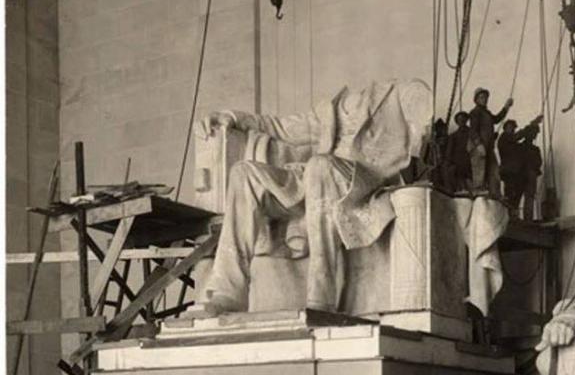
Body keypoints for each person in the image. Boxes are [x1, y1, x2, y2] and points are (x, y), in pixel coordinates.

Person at [198, 80, 432, 315]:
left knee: (319, 166)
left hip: (360, 179)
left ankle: (321, 296)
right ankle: (229, 292)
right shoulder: (327, 111)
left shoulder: (391, 94)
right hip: (315, 180)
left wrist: (419, 125)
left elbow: (417, 98)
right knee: (243, 173)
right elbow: (279, 127)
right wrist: (233, 117)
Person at [469, 87, 513, 193]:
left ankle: (494, 193)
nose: (484, 99)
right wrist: (478, 144)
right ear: (476, 100)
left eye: (485, 97)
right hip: (479, 148)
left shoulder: (486, 113)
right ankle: (479, 192)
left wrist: (506, 107)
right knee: (479, 171)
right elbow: (473, 130)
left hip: (488, 146)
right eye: (481, 97)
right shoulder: (475, 112)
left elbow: (497, 119)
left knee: (494, 171)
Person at [443, 111, 472, 192]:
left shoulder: (473, 133)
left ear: (466, 120)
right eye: (459, 119)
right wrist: (449, 163)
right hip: (459, 164)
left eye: (463, 119)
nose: (462, 121)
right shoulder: (453, 136)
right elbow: (449, 152)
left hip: (471, 162)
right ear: (457, 122)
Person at [521, 124, 543, 222]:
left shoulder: (532, 149)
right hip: (525, 174)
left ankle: (527, 219)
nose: (534, 136)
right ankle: (527, 219)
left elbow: (539, 162)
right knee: (527, 197)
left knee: (529, 197)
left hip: (528, 174)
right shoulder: (529, 149)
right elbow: (538, 162)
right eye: (533, 134)